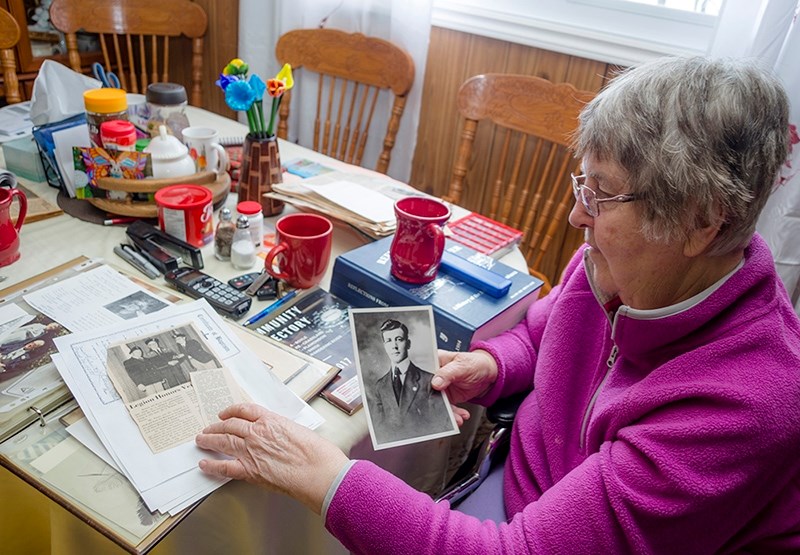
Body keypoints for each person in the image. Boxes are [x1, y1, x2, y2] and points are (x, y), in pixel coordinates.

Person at [194, 56, 800, 553]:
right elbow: (546, 329)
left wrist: (325, 477)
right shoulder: (619, 263)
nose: (575, 216)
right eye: (580, 184)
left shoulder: (743, 407)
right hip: (511, 485)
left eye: (602, 194)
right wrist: (495, 365)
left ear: (699, 221)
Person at [366, 319, 453, 443]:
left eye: (399, 339)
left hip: (424, 446)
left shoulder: (428, 379)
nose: (394, 346)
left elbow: (438, 423)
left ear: (408, 343)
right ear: (385, 346)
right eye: (389, 341)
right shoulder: (380, 386)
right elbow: (379, 427)